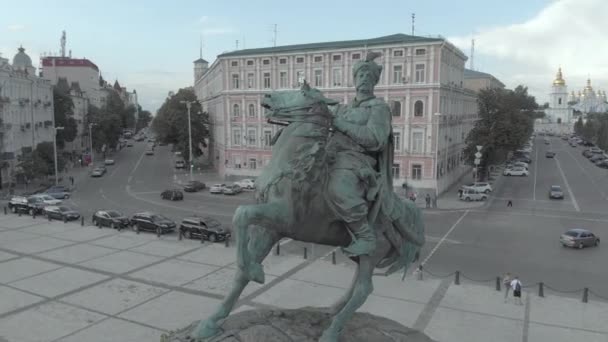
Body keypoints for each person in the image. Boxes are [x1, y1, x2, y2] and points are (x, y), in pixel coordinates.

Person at [326, 51, 392, 256]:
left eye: (368, 76)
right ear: (354, 80)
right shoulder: (342, 109)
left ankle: (365, 236)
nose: (364, 79)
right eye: (360, 75)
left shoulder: (379, 108)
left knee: (338, 188)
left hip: (358, 161)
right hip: (332, 155)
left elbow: (375, 139)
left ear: (374, 81)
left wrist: (341, 124)